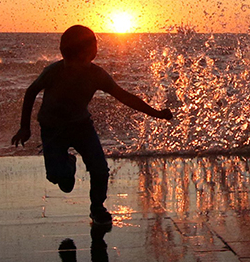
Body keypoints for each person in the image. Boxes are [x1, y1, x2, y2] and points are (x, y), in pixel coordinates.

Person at [11, 24, 172, 227]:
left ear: (91, 55)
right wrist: (25, 127)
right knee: (58, 179)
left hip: (82, 127)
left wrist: (156, 113)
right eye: (68, 61)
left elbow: (124, 96)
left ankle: (97, 207)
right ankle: (68, 164)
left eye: (79, 60)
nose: (73, 67)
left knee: (100, 169)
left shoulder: (97, 75)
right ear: (63, 55)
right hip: (52, 130)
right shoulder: (53, 71)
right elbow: (31, 92)